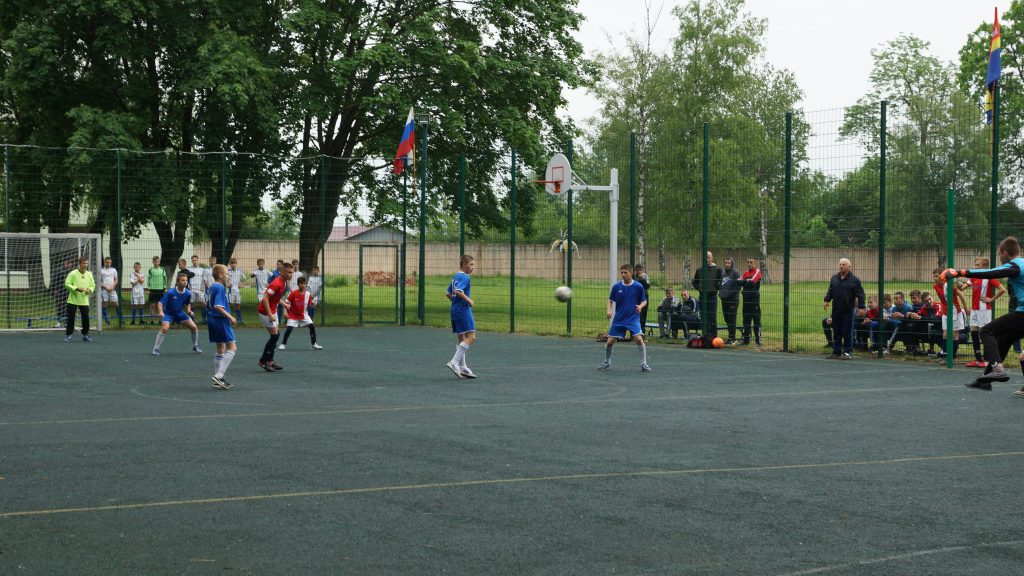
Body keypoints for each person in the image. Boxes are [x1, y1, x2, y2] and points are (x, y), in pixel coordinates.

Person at [941, 237, 1024, 391]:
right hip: (1021, 312)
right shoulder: (1022, 263)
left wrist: (960, 272)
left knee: (986, 331)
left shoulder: (1015, 265)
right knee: (1006, 339)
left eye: (1000, 254)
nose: (1000, 258)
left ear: (1004, 252)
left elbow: (992, 273)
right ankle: (985, 379)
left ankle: (997, 370)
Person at [599, 264, 651, 372]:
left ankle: (644, 364)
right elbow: (610, 300)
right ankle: (607, 362)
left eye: (625, 273)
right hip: (619, 319)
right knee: (610, 342)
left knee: (639, 339)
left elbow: (644, 301)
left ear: (631, 273)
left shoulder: (638, 286)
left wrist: (640, 307)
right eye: (621, 272)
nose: (623, 275)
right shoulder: (617, 286)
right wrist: (608, 311)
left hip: (633, 318)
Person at [961, 257, 1006, 367]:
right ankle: (978, 359)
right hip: (974, 309)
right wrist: (958, 283)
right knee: (974, 333)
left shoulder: (989, 277)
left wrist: (991, 299)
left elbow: (1002, 289)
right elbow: (962, 288)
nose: (975, 267)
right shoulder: (974, 277)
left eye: (978, 265)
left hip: (984, 310)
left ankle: (987, 360)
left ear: (985, 266)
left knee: (984, 334)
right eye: (975, 265)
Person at [823, 257, 866, 359]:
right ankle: (836, 351)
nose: (841, 266)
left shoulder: (854, 280)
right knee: (836, 330)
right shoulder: (834, 278)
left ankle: (847, 353)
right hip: (836, 309)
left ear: (849, 267)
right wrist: (826, 300)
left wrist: (861, 307)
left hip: (848, 310)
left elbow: (860, 295)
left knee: (847, 331)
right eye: (840, 264)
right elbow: (830, 290)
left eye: (843, 264)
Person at [152, 272, 201, 356]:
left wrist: (189, 311)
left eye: (186, 280)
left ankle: (195, 346)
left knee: (194, 327)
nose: (185, 282)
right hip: (168, 313)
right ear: (178, 282)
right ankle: (156, 348)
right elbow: (160, 303)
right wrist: (161, 312)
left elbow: (187, 303)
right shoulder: (170, 292)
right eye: (183, 280)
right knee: (164, 329)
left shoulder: (188, 293)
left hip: (179, 313)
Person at [445, 255, 477, 378]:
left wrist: (455, 303)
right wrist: (469, 300)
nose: (473, 267)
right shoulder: (465, 277)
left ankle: (463, 367)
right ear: (463, 264)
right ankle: (454, 362)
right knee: (471, 337)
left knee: (461, 339)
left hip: (455, 310)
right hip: (463, 310)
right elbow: (458, 291)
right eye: (471, 264)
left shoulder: (456, 276)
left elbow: (448, 293)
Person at [207, 264, 238, 390]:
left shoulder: (212, 286)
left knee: (220, 347)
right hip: (220, 319)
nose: (228, 275)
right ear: (220, 275)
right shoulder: (220, 287)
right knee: (232, 348)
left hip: (212, 319)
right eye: (226, 273)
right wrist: (230, 317)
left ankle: (218, 380)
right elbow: (218, 306)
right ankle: (219, 376)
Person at [257, 261, 293, 371]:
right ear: (282, 272)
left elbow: (276, 297)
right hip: (265, 312)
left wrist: (285, 304)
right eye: (289, 272)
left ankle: (270, 361)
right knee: (275, 336)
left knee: (276, 335)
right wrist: (269, 314)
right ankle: (263, 361)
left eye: (292, 272)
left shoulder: (284, 282)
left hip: (273, 310)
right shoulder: (277, 283)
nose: (290, 275)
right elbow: (265, 299)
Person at [932, 267, 967, 360]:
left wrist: (966, 308)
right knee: (945, 334)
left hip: (955, 311)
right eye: (934, 276)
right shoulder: (935, 286)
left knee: (954, 334)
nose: (935, 278)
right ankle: (945, 356)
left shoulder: (950, 285)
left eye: (937, 276)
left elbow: (961, 295)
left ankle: (953, 357)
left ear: (942, 276)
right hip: (945, 313)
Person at [279, 276, 323, 350]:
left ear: (306, 284)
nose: (303, 285)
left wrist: (313, 304)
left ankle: (314, 344)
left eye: (304, 283)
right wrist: (285, 312)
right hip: (293, 315)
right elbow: (286, 303)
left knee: (312, 326)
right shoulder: (293, 293)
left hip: (304, 314)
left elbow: (310, 304)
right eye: (301, 283)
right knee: (289, 329)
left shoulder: (308, 294)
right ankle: (283, 344)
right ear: (298, 284)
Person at [63, 256, 96, 342]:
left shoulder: (89, 274)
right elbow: (67, 284)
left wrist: (90, 290)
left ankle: (85, 334)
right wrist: (76, 289)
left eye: (86, 263)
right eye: (84, 263)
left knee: (86, 318)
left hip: (84, 300)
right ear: (80, 264)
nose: (85, 265)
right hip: (72, 300)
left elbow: (93, 285)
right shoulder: (73, 273)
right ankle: (68, 335)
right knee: (71, 318)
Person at [692, 251, 722, 336]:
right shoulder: (699, 270)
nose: (707, 259)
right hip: (702, 297)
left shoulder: (718, 269)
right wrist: (699, 288)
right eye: (705, 257)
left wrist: (716, 287)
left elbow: (720, 281)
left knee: (712, 317)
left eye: (708, 257)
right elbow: (695, 282)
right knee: (704, 317)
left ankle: (714, 336)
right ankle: (705, 335)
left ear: (712, 258)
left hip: (712, 297)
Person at [738, 257, 762, 347]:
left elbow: (752, 282)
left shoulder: (757, 272)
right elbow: (738, 282)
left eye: (751, 262)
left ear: (755, 263)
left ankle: (758, 341)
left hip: (754, 301)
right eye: (748, 262)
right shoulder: (745, 273)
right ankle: (746, 340)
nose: (749, 264)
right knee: (746, 320)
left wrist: (744, 282)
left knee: (756, 321)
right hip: (746, 301)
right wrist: (745, 281)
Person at [719, 257, 741, 345]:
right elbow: (720, 285)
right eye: (726, 263)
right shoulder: (723, 274)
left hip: (733, 300)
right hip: (724, 300)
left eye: (729, 263)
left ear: (732, 264)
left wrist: (729, 295)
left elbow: (738, 286)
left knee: (732, 318)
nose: (727, 264)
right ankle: (730, 337)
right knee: (727, 318)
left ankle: (733, 338)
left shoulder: (735, 273)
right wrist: (721, 294)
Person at [99, 256, 121, 326]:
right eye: (107, 262)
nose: (109, 264)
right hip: (104, 289)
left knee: (116, 303)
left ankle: (121, 319)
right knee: (104, 304)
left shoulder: (113, 270)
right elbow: (98, 281)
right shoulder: (101, 270)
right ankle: (107, 321)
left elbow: (116, 279)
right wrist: (105, 287)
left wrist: (113, 286)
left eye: (110, 263)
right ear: (104, 262)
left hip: (112, 289)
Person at [146, 256, 167, 326]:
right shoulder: (150, 270)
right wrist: (148, 288)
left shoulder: (162, 269)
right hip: (152, 290)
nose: (156, 263)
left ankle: (160, 321)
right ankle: (151, 320)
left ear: (159, 262)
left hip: (160, 289)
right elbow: (148, 279)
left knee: (160, 306)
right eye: (155, 261)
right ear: (153, 262)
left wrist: (165, 287)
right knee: (152, 305)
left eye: (158, 261)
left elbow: (165, 278)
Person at [187, 255, 206, 323]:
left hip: (200, 289)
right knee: (192, 304)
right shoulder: (189, 269)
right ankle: (192, 320)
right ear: (192, 261)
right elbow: (187, 278)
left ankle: (204, 319)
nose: (195, 261)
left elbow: (204, 279)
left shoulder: (202, 270)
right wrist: (188, 286)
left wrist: (202, 287)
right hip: (192, 289)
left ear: (198, 260)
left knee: (203, 303)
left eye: (196, 260)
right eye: (193, 260)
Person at [633, 264, 651, 336]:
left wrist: (642, 279)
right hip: (636, 298)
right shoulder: (633, 277)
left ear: (642, 270)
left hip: (645, 297)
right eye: (637, 270)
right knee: (637, 314)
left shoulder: (645, 276)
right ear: (635, 271)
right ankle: (636, 331)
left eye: (640, 270)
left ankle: (642, 331)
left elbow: (648, 286)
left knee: (644, 314)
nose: (639, 272)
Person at [226, 258, 245, 324]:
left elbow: (244, 279)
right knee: (229, 304)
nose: (233, 265)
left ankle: (239, 320)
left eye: (234, 263)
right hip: (230, 291)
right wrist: (227, 283)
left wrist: (241, 284)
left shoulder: (240, 271)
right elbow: (225, 280)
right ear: (230, 264)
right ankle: (228, 319)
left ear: (236, 264)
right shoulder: (228, 271)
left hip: (238, 291)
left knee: (238, 305)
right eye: (232, 263)